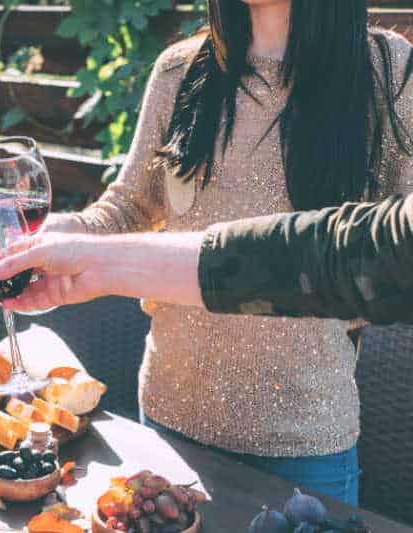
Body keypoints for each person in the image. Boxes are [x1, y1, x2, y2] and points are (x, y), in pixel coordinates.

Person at [38, 0, 413, 504]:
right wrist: (70, 231)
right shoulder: (179, 69)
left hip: (304, 442)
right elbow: (130, 208)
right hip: (170, 423)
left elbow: (392, 248)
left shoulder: (386, 71)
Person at [0, 193, 413, 324]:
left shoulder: (385, 67)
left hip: (309, 428)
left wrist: (94, 260)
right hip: (170, 412)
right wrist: (80, 242)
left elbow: (359, 259)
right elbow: (347, 253)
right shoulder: (181, 68)